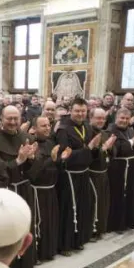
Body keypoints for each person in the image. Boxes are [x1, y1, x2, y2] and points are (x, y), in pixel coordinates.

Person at [0, 106, 36, 268]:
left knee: (24, 228)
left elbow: (34, 172)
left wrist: (31, 160)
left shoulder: (27, 138)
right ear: (1, 119)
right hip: (6, 192)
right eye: (8, 118)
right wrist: (18, 160)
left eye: (15, 118)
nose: (12, 122)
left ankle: (24, 265)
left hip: (24, 190)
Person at [55, 98, 98, 254]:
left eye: (83, 111)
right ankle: (65, 245)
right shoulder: (63, 129)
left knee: (82, 208)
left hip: (84, 174)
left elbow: (89, 152)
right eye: (77, 111)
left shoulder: (87, 126)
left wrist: (93, 150)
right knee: (68, 210)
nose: (80, 114)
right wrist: (88, 149)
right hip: (69, 176)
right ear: (70, 111)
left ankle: (78, 240)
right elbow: (65, 156)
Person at [27, 116, 60, 262]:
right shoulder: (31, 145)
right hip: (37, 192)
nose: (47, 128)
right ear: (34, 129)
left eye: (48, 125)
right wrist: (50, 159)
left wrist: (60, 159)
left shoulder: (51, 142)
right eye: (43, 126)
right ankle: (38, 253)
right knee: (38, 223)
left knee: (49, 222)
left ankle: (49, 251)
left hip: (50, 189)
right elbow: (33, 173)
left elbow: (55, 166)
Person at [106, 108, 134, 231]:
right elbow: (118, 149)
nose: (124, 121)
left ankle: (129, 221)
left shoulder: (131, 130)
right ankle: (117, 224)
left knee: (130, 195)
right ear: (116, 118)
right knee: (118, 196)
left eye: (127, 119)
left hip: (131, 168)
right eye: (122, 118)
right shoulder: (111, 131)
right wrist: (133, 141)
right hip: (118, 170)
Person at [88, 108, 115, 239]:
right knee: (94, 203)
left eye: (103, 118)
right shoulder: (88, 133)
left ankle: (101, 228)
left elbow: (112, 153)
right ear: (91, 118)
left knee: (103, 202)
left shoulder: (105, 133)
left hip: (103, 173)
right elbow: (88, 155)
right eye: (98, 118)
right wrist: (102, 149)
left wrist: (110, 149)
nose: (101, 121)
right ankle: (92, 229)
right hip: (92, 175)